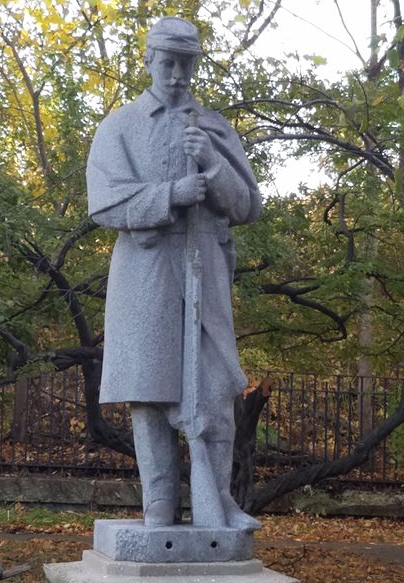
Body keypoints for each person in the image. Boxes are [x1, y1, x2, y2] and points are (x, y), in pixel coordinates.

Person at [87, 16, 262, 530]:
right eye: (169, 62)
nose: (179, 73)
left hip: (204, 270)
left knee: (213, 387)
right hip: (144, 272)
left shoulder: (214, 127)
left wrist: (213, 164)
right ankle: (158, 507)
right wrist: (169, 196)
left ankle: (219, 504)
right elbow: (104, 204)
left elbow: (248, 204)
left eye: (188, 64)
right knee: (151, 389)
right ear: (147, 61)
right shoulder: (119, 126)